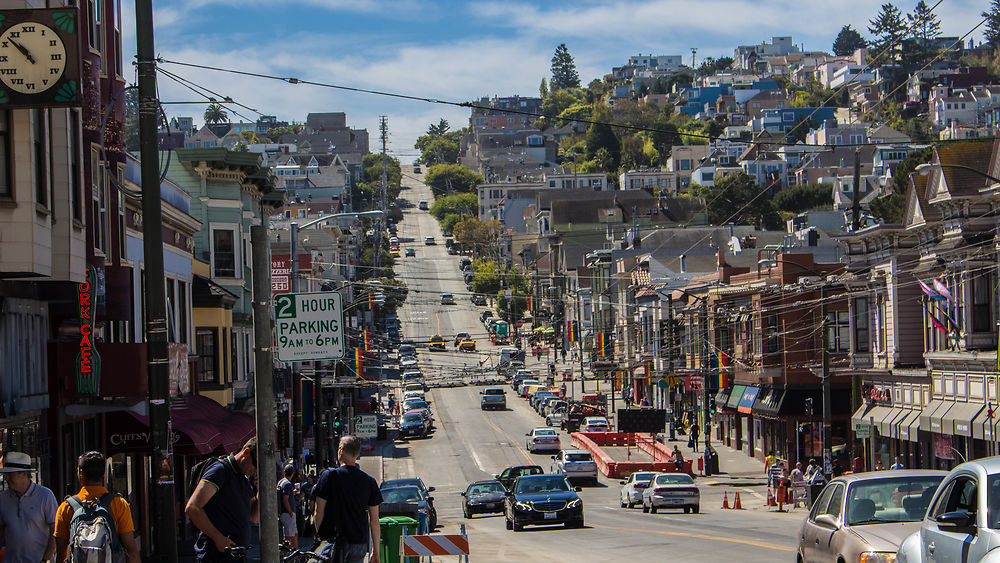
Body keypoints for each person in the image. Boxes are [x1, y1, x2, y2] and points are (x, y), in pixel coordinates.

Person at [54, 451, 140, 563]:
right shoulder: (119, 504)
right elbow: (131, 551)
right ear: (103, 475)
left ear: (81, 474)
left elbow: (61, 554)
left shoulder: (66, 508)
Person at [185, 437, 259, 562]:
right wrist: (218, 538)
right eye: (256, 465)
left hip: (236, 555)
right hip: (216, 555)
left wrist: (262, 491)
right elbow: (193, 507)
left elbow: (254, 517)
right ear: (246, 453)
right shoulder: (220, 470)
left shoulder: (243, 478)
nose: (256, 471)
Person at [313, 435, 383, 563]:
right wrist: (375, 551)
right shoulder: (369, 482)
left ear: (341, 450)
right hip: (359, 543)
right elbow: (374, 520)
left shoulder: (329, 476)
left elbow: (318, 512)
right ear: (357, 453)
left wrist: (320, 535)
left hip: (336, 542)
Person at [0, 451, 58, 563]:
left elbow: (55, 531)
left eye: (10, 474)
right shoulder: (3, 498)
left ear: (24, 474)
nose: (6, 478)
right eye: (5, 474)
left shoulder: (45, 496)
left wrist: (45, 559)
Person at [278, 465, 299, 549]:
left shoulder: (281, 482)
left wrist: (292, 493)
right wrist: (290, 511)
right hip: (287, 513)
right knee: (289, 537)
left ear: (284, 472)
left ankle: (295, 554)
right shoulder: (288, 484)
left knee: (294, 535)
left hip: (283, 513)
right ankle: (288, 555)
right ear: (293, 473)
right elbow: (285, 499)